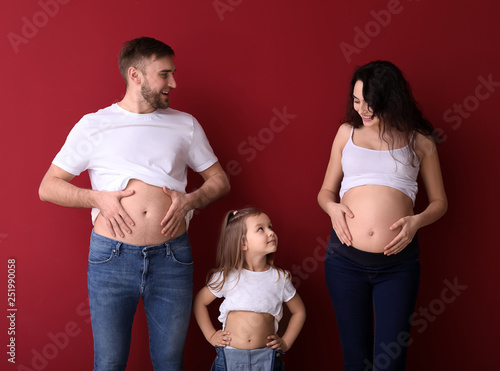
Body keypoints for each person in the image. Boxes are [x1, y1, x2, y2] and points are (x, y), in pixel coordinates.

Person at [38, 36, 230, 371]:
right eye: (164, 74)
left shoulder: (185, 124)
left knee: (170, 362)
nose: (173, 83)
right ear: (135, 75)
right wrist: (95, 197)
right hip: (111, 257)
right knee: (109, 362)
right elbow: (48, 187)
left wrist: (190, 201)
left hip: (172, 257)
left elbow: (220, 181)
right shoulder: (94, 125)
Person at [318, 61, 447, 371]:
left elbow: (440, 202)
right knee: (355, 361)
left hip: (398, 265)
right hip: (344, 262)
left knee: (390, 363)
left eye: (370, 102)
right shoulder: (346, 133)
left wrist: (416, 221)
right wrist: (333, 208)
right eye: (356, 100)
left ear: (391, 98)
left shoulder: (420, 139)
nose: (362, 109)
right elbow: (325, 193)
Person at [193, 208, 306, 370]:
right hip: (229, 357)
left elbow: (299, 311)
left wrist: (286, 342)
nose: (270, 233)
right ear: (242, 243)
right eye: (261, 229)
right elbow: (200, 302)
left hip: (266, 358)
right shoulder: (226, 276)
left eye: (270, 227)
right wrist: (211, 335)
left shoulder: (279, 278)